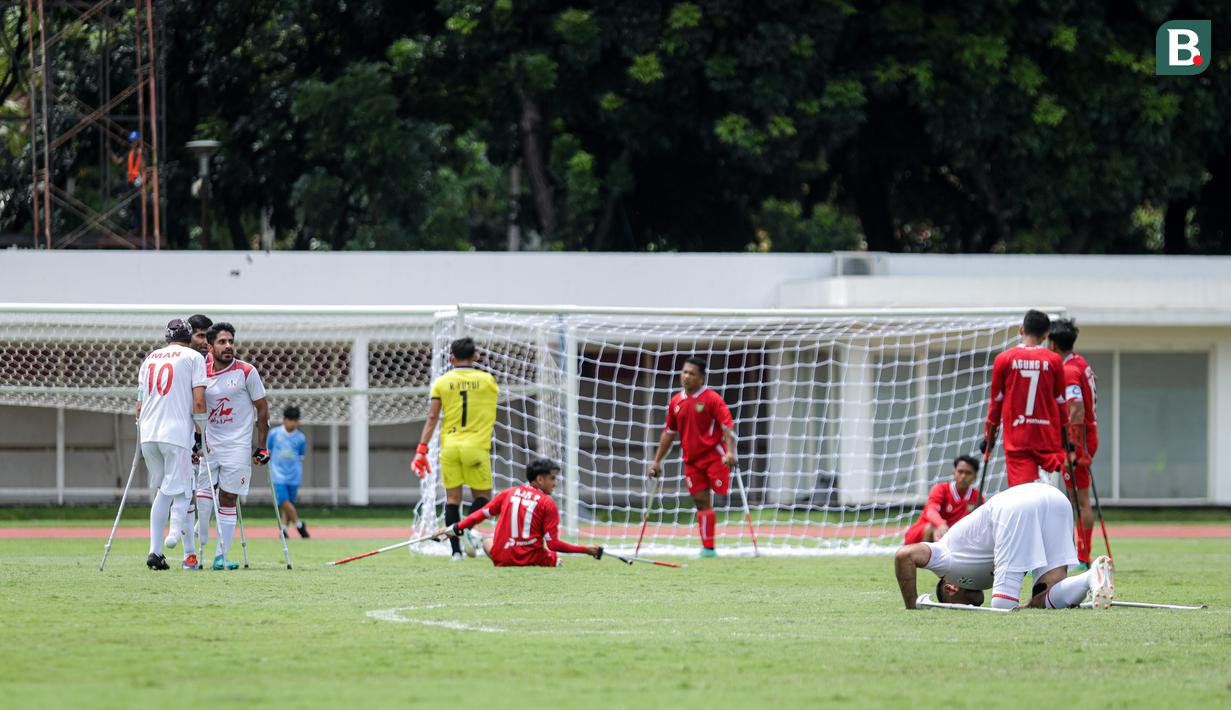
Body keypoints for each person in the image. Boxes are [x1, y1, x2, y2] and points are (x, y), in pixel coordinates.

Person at [893, 482, 1114, 611]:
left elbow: (904, 555)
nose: (972, 607)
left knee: (1001, 607)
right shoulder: (976, 577)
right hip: (1056, 499)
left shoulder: (947, 565)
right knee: (1045, 599)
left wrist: (911, 607)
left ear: (950, 588)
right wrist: (1029, 605)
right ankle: (1091, 576)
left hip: (1014, 507)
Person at [411, 337, 499, 562]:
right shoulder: (488, 380)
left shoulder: (441, 382)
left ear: (451, 358)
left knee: (452, 499)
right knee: (484, 498)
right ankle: (467, 528)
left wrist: (421, 449)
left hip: (449, 447)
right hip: (476, 447)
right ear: (476, 356)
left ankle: (456, 552)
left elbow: (432, 417)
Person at [194, 322, 270, 571]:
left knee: (228, 497)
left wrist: (262, 447)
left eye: (231, 342)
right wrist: (195, 440)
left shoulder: (246, 371)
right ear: (210, 346)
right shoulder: (200, 372)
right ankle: (198, 546)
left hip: (237, 446)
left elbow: (262, 409)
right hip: (210, 444)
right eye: (222, 342)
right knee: (203, 494)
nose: (228, 346)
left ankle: (221, 556)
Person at [648, 356, 737, 558]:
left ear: (701, 378)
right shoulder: (676, 402)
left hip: (715, 457)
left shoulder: (712, 399)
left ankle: (712, 542)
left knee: (718, 496)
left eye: (691, 373)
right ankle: (708, 549)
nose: (686, 376)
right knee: (701, 501)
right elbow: (669, 433)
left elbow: (727, 426)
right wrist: (657, 461)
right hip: (692, 460)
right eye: (684, 372)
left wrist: (730, 451)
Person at [436, 459, 602, 567]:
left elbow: (479, 515)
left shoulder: (507, 493)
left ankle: (473, 541)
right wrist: (585, 549)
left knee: (488, 540)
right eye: (552, 478)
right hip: (533, 559)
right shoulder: (547, 503)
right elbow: (553, 544)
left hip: (503, 558)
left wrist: (456, 527)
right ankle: (552, 561)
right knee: (551, 554)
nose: (555, 483)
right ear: (540, 479)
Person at [136, 318, 206, 570]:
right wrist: (201, 434)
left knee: (164, 490)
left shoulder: (150, 359)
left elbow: (139, 404)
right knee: (184, 488)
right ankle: (174, 535)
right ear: (189, 337)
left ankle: (155, 551)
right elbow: (199, 400)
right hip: (175, 433)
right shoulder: (193, 357)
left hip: (148, 433)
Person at [984, 309, 1069, 487]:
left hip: (1018, 440)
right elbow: (1061, 402)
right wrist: (1067, 438)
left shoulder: (1003, 359)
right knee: (1065, 479)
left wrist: (989, 438)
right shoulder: (1054, 360)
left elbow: (996, 403)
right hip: (1047, 440)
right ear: (1045, 335)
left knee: (1022, 493)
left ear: (1021, 330)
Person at [1048, 318, 1099, 569]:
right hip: (1086, 437)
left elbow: (1076, 408)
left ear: (1053, 344)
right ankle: (1077, 553)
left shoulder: (1069, 370)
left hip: (1078, 441)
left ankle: (1082, 556)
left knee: (1079, 500)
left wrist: (1073, 448)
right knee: (1074, 499)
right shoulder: (1080, 362)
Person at [902, 455, 982, 544]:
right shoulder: (940, 489)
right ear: (954, 472)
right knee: (932, 528)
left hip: (950, 538)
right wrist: (941, 524)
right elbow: (931, 511)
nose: (963, 476)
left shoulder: (977, 497)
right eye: (960, 472)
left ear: (975, 476)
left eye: (968, 473)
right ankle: (924, 552)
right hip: (919, 536)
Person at [267, 405, 309, 538]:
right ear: (285, 419)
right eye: (291, 420)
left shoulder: (301, 438)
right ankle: (299, 525)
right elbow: (268, 451)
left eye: (296, 420)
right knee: (283, 501)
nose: (294, 423)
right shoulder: (274, 434)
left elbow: (301, 456)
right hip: (277, 475)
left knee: (289, 504)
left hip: (294, 475)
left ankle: (283, 530)